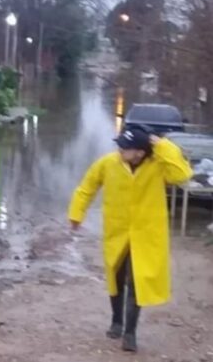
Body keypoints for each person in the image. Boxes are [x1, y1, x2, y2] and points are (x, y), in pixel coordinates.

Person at [68, 128, 192, 353]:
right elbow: (87, 188)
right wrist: (76, 214)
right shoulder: (108, 163)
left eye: (126, 147)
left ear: (140, 152)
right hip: (118, 230)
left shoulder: (158, 166)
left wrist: (163, 145)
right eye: (120, 145)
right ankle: (117, 320)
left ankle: (130, 333)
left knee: (137, 281)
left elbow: (182, 174)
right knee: (116, 276)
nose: (120, 150)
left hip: (146, 233)